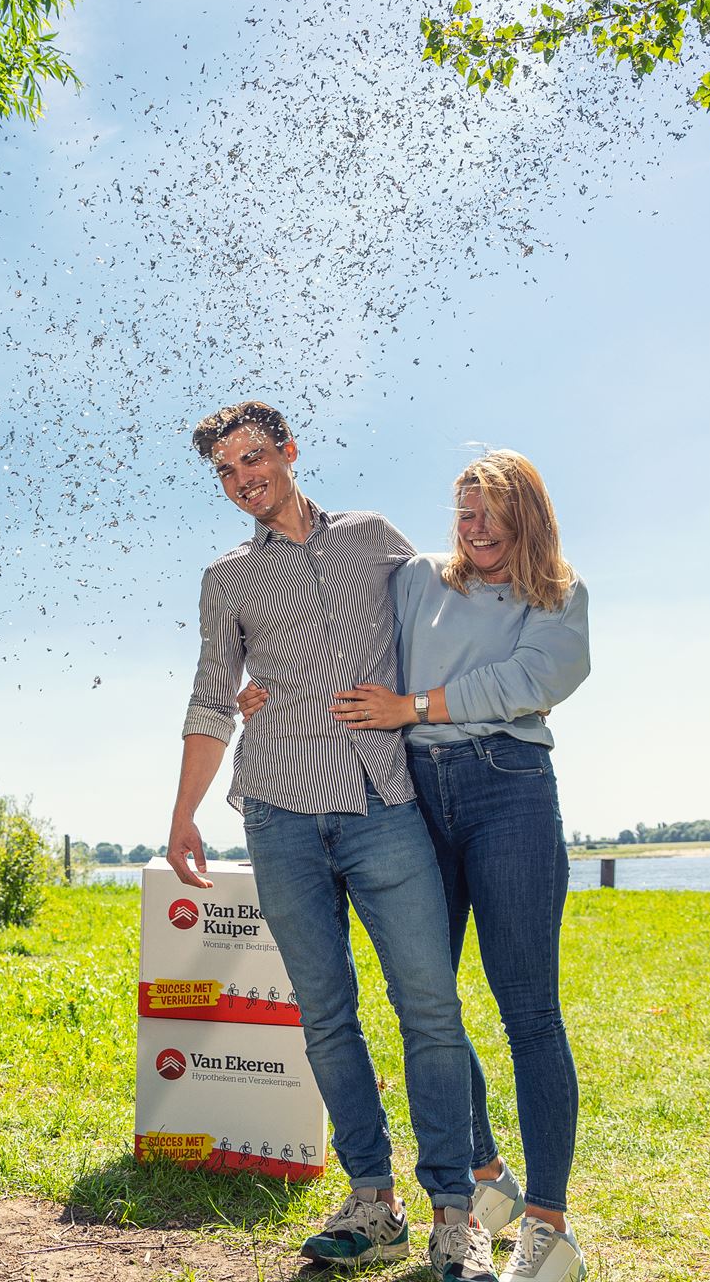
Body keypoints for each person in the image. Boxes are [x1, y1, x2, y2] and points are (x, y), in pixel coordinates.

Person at [167, 400, 499, 1281]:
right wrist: (183, 813)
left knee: (430, 1006)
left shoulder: (374, 539)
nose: (244, 480)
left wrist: (429, 703)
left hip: (382, 804)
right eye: (227, 472)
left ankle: (455, 1213)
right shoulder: (228, 578)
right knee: (326, 1015)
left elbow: (450, 604)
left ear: (289, 452)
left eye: (253, 459)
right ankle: (370, 1200)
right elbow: (211, 693)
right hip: (277, 810)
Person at [241, 449, 590, 1282]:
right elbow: (330, 620)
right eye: (464, 513)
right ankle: (481, 1175)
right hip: (413, 792)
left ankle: (547, 1227)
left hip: (508, 789)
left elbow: (538, 676)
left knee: (528, 1011)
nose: (474, 530)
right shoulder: (418, 577)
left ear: (526, 518)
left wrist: (417, 707)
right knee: (428, 995)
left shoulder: (558, 595)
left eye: (491, 515)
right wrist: (263, 687)